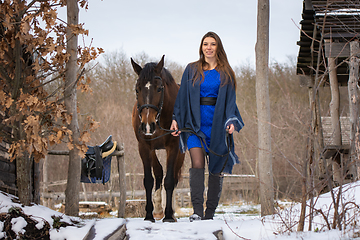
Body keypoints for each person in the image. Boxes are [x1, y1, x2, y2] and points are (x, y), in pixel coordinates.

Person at [170, 31, 244, 221]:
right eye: (205, 44)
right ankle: (197, 211)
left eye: (212, 44)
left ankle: (209, 213)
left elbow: (230, 101)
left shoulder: (226, 72)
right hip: (194, 124)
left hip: (217, 125)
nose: (208, 47)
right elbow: (182, 97)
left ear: (218, 47)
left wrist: (231, 122)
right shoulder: (191, 69)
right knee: (197, 163)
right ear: (201, 47)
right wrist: (176, 118)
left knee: (215, 170)